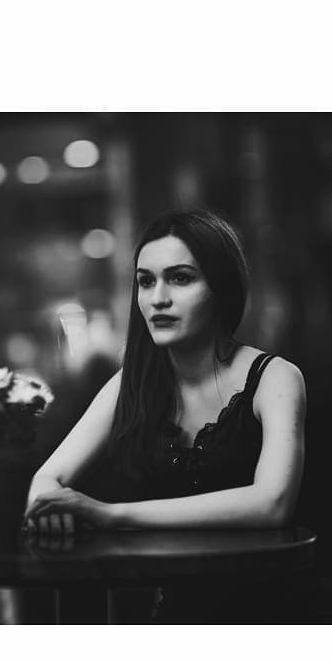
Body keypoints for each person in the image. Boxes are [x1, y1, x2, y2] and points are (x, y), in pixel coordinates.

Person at [23, 209, 307, 621]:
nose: (158, 298)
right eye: (145, 281)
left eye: (180, 278)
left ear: (221, 287)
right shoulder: (133, 383)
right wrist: (51, 510)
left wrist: (111, 515)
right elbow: (45, 481)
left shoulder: (275, 378)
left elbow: (273, 503)